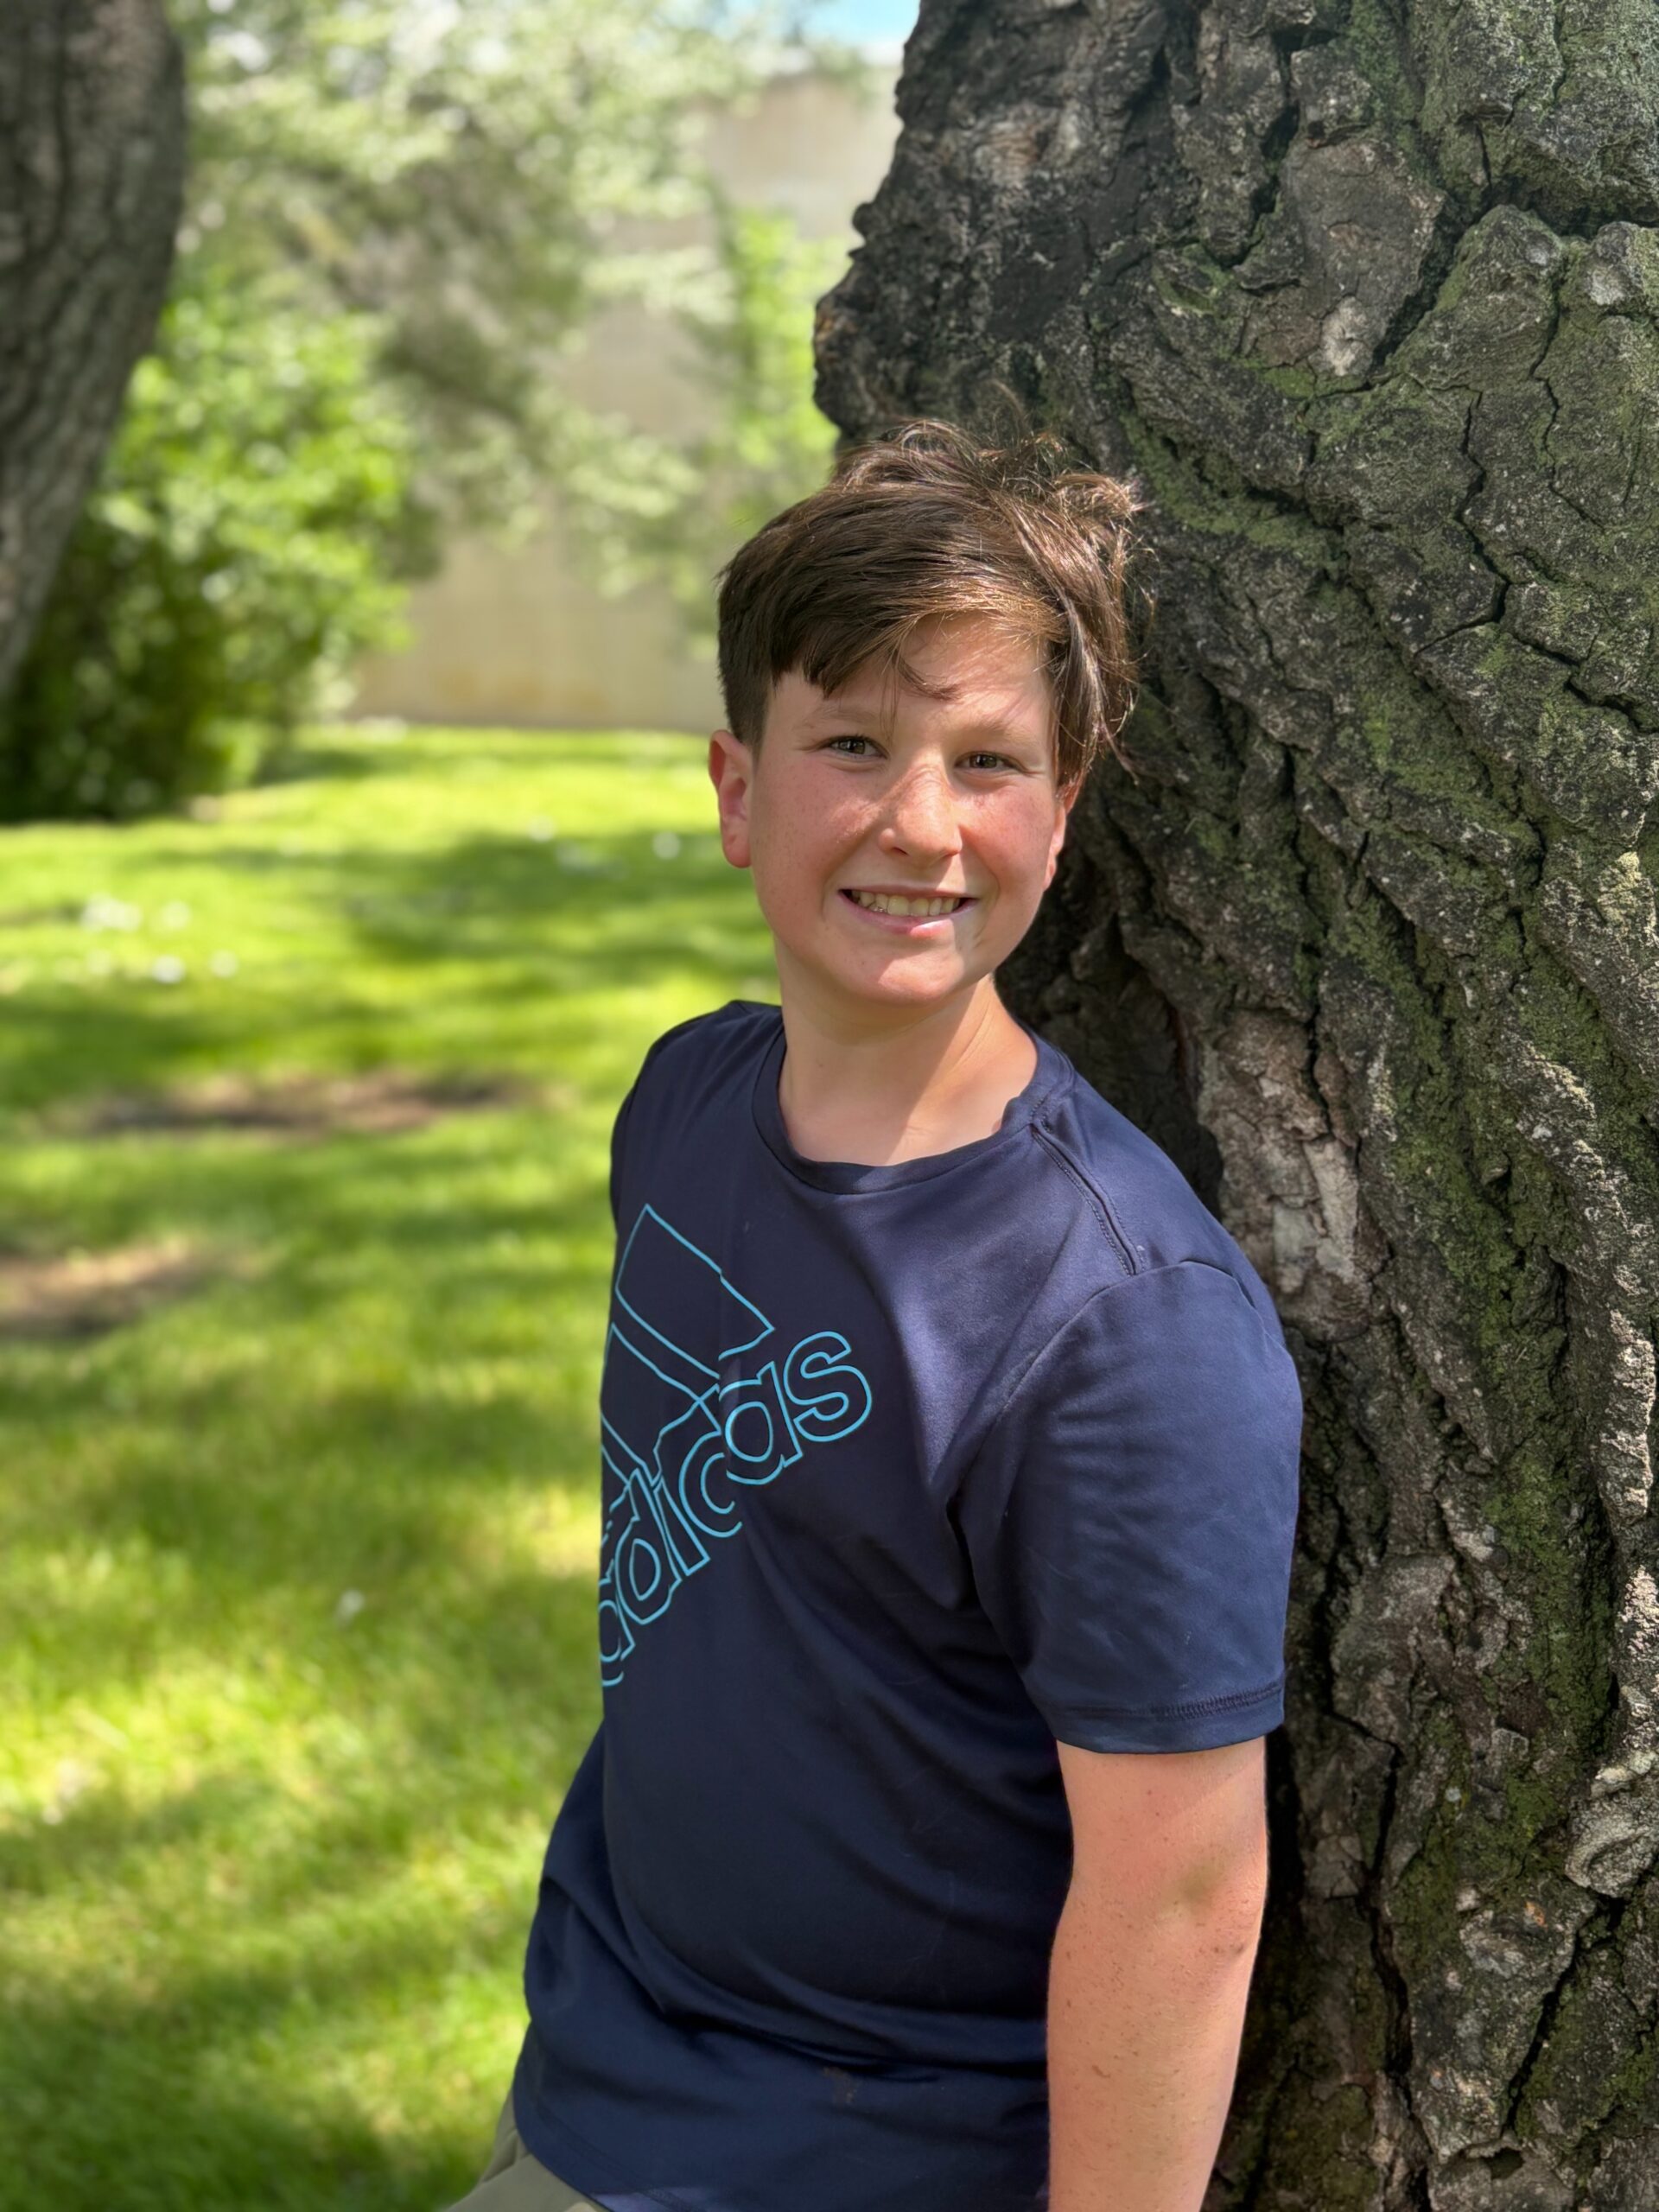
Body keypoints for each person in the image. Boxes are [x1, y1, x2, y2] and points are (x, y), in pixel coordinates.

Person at [445, 418, 1304, 2212]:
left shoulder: (1124, 1321)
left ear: (1059, 822)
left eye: (986, 759)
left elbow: (1182, 1895)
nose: (919, 820)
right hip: (602, 2049)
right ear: (737, 789)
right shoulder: (682, 1104)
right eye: (852, 742)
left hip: (858, 2152)